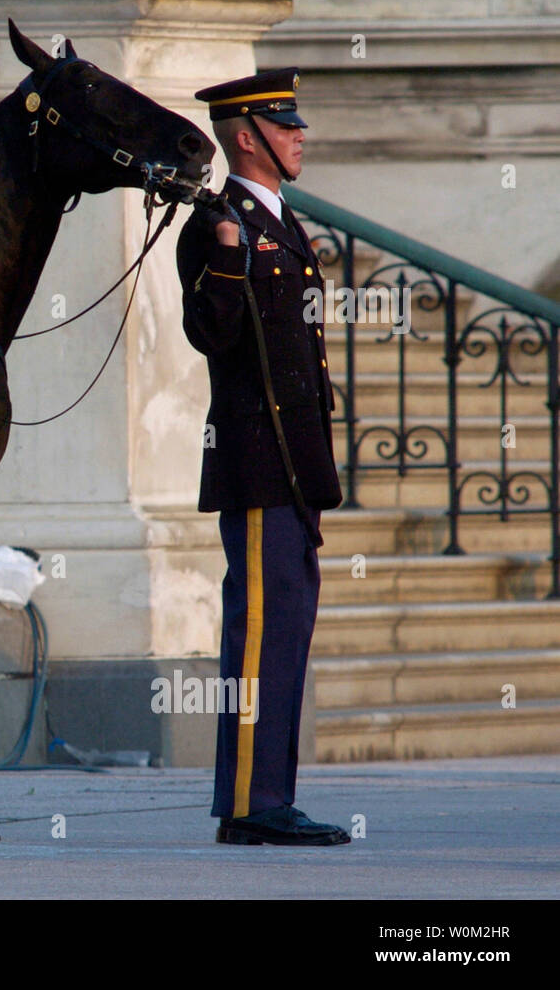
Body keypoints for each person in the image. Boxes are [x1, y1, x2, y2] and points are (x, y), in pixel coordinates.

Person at [176, 67, 349, 846]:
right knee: (258, 631)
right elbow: (212, 335)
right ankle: (250, 805)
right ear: (247, 137)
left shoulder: (279, 221)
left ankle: (268, 797)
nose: (300, 134)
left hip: (294, 463)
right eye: (286, 125)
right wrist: (222, 256)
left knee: (285, 628)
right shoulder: (221, 224)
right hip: (253, 458)